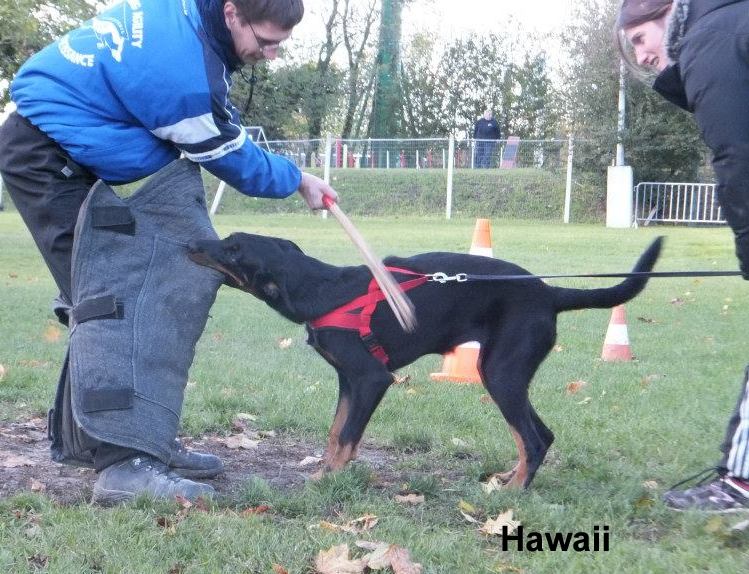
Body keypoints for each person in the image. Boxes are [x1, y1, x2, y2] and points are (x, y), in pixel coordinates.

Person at [0, 0, 338, 504]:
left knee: (129, 291)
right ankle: (124, 466)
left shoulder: (187, 18)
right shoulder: (183, 73)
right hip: (49, 160)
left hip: (71, 150)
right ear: (231, 12)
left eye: (277, 46)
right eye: (264, 42)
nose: (268, 55)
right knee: (112, 301)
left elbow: (218, 115)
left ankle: (138, 438)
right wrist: (297, 180)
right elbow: (229, 156)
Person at [616, 0, 749, 512]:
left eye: (641, 39)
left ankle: (741, 483)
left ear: (669, 13)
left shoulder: (710, 41)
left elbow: (737, 152)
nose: (643, 56)